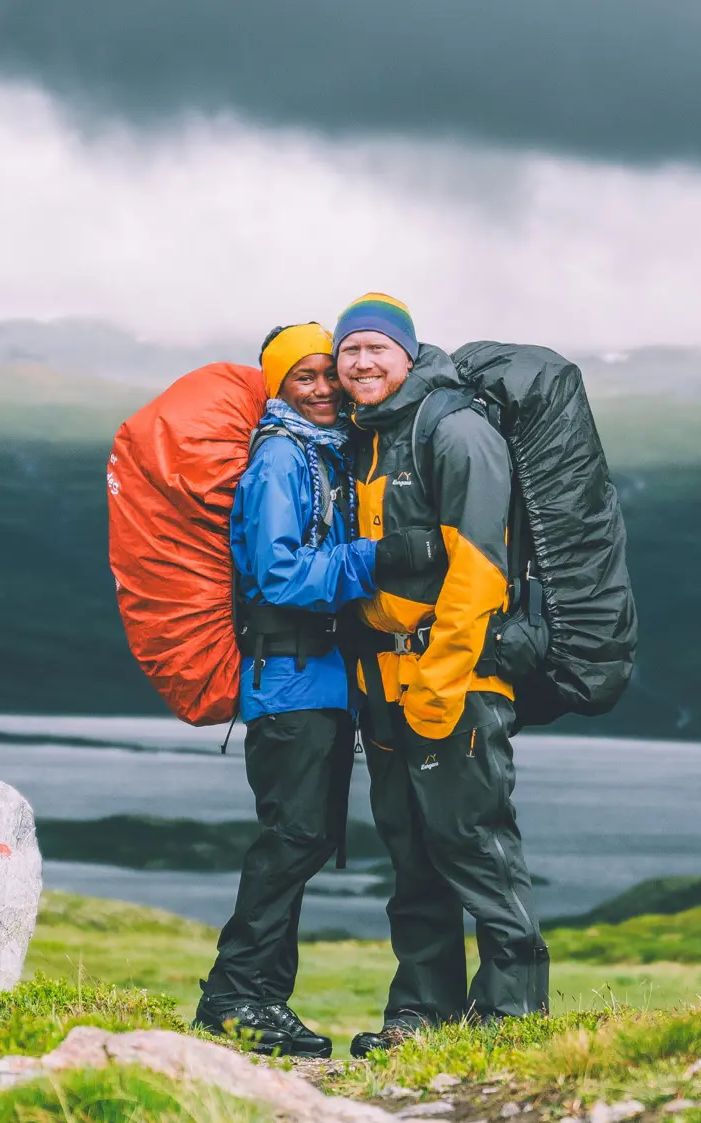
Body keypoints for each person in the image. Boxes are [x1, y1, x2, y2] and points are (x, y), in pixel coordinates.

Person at [193, 321, 441, 1058]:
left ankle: (259, 1000)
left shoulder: (322, 452)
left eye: (328, 373)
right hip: (290, 677)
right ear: (278, 386)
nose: (326, 387)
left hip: (319, 680)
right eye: (304, 376)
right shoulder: (279, 458)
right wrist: (379, 557)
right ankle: (237, 997)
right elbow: (278, 575)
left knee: (305, 837)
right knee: (294, 837)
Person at [333, 294, 550, 1058]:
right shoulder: (366, 437)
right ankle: (422, 1015)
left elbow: (481, 569)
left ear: (407, 353)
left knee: (474, 845)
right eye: (348, 351)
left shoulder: (453, 429)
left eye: (375, 349)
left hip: (456, 680)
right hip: (389, 689)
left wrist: (443, 676)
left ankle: (511, 1017)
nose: (361, 363)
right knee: (412, 853)